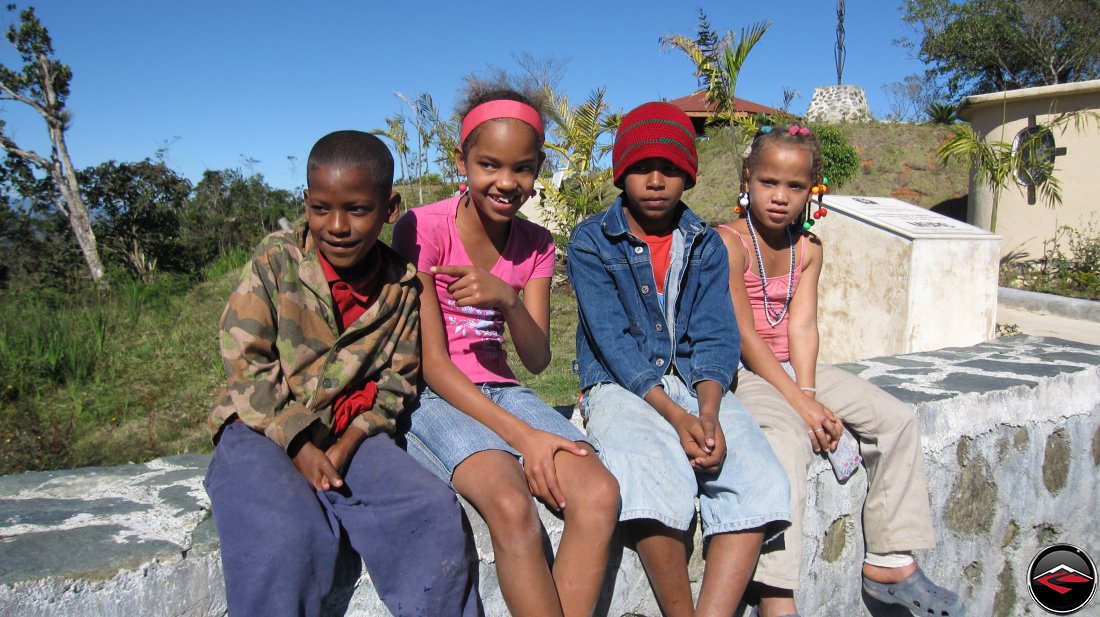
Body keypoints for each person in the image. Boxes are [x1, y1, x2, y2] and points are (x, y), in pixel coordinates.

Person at [204, 130, 480, 617]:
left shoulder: (402, 287)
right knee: (285, 535)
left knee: (432, 512)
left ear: (389, 208)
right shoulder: (277, 261)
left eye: (357, 209)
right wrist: (299, 444)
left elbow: (399, 382)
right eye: (321, 208)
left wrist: (348, 443)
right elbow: (246, 361)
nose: (337, 226)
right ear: (306, 203)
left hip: (351, 429)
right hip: (262, 427)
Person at [717, 123, 966, 617]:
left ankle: (889, 562)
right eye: (768, 182)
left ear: (814, 189)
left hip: (793, 366)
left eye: (795, 186)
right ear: (746, 180)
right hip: (744, 370)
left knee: (895, 420)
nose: (780, 197)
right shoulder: (728, 244)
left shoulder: (808, 247)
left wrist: (809, 390)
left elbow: (803, 326)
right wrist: (801, 405)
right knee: (785, 442)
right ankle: (775, 590)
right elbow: (745, 335)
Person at [391, 87, 619, 617]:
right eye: (489, 164)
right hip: (432, 396)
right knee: (513, 505)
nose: (506, 182)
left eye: (521, 168)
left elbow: (536, 358)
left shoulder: (537, 243)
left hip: (503, 389)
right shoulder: (422, 229)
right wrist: (527, 438)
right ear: (462, 161)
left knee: (599, 492)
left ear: (537, 168)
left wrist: (509, 299)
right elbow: (433, 364)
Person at [567, 101, 791, 617]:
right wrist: (674, 415)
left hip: (696, 383)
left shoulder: (706, 244)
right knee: (645, 470)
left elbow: (716, 334)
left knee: (757, 474)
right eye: (643, 168)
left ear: (687, 177)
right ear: (622, 173)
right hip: (623, 385)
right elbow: (613, 341)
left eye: (670, 169)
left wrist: (707, 413)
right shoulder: (592, 241)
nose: (656, 180)